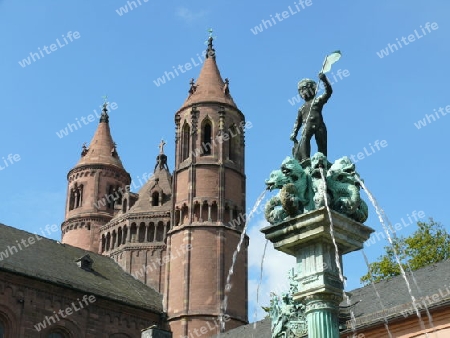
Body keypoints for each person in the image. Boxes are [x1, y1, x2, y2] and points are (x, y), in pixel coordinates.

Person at [290, 72, 332, 161]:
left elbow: (329, 92)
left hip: (319, 125)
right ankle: (305, 159)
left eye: (304, 89)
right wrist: (294, 132)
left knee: (322, 143)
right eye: (300, 91)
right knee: (305, 138)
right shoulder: (302, 108)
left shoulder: (317, 101)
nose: (302, 92)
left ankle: (322, 159)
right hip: (307, 126)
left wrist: (324, 80)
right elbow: (298, 122)